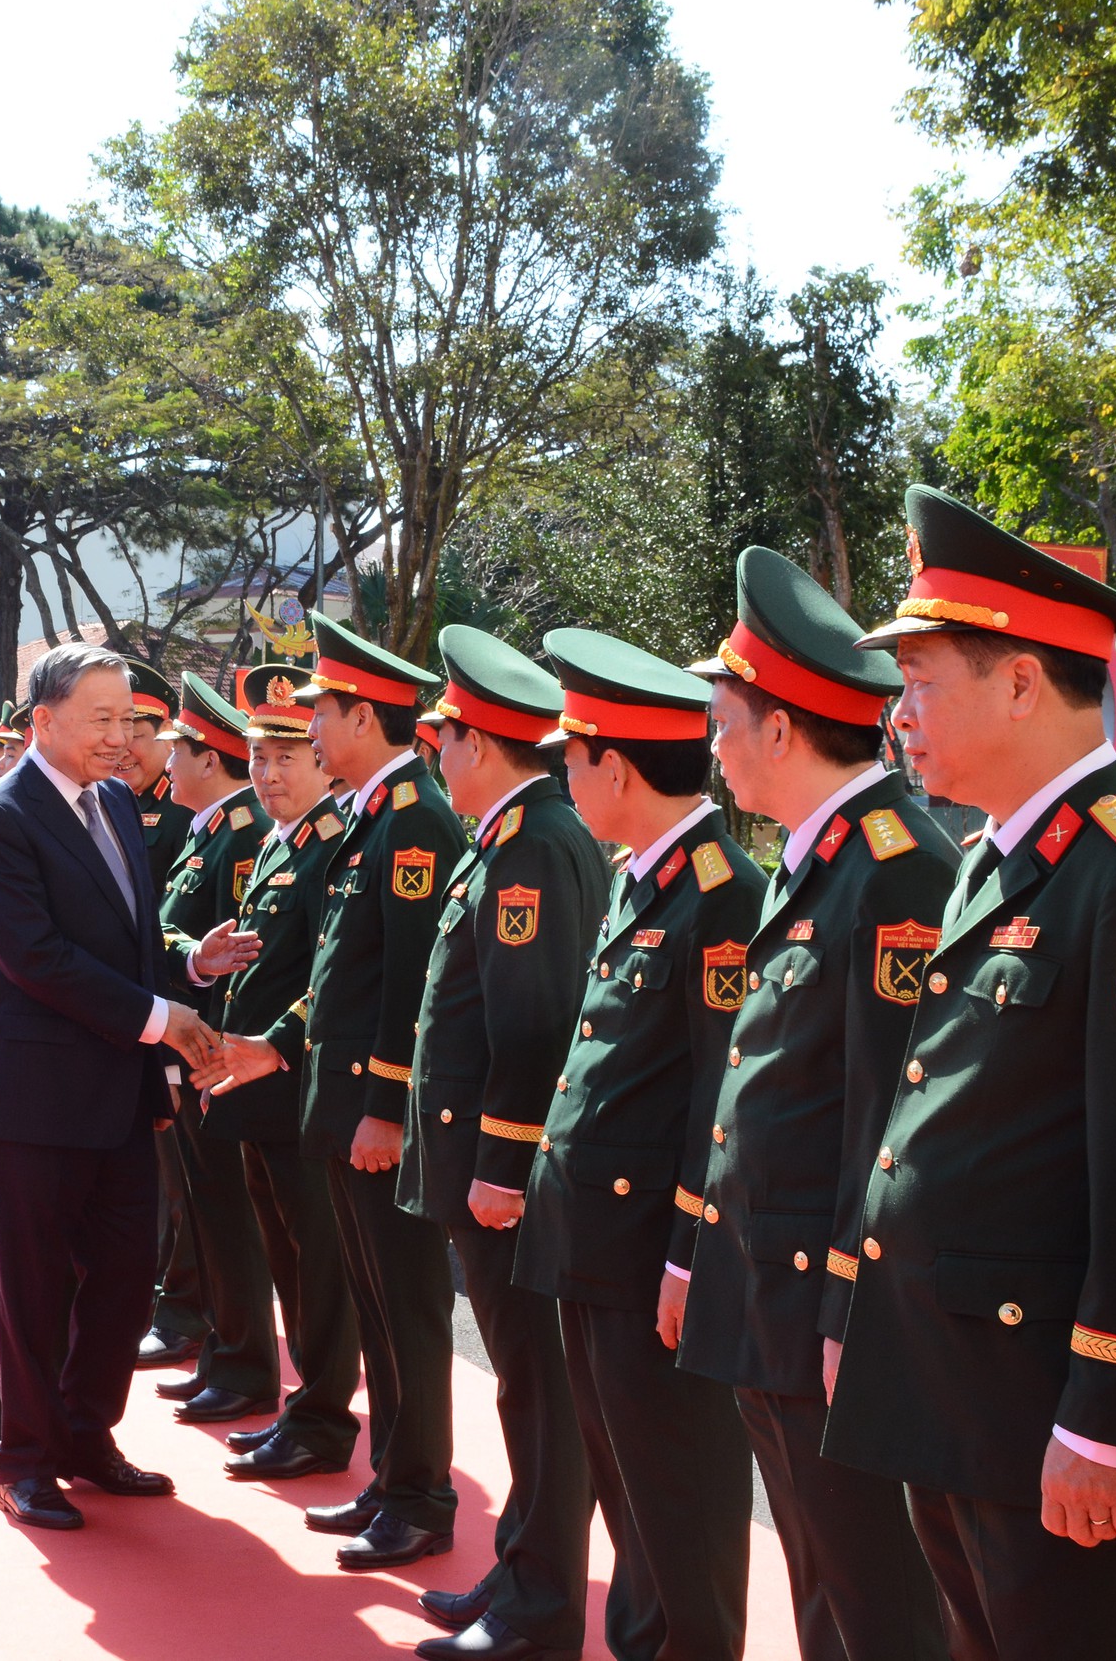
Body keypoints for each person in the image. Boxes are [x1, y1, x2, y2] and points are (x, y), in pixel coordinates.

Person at [824, 487, 1116, 1661]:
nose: (899, 717)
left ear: (1018, 682)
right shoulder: (989, 862)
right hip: (954, 1392)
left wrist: (1109, 1424)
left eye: (921, 683)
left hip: (1049, 1417)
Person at [677, 548, 955, 1661]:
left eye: (723, 721)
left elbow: (885, 1122)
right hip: (768, 1292)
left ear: (781, 729)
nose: (710, 745)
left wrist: (849, 1313)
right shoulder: (815, 857)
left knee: (874, 1592)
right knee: (818, 1572)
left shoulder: (892, 871)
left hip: (817, 1307)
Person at [514, 627, 765, 1661]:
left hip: (651, 1257)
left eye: (569, 760)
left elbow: (719, 1097)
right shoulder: (643, 876)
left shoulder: (720, 892)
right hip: (594, 1243)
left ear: (613, 766)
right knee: (625, 1485)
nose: (562, 778)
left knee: (680, 1490)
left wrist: (686, 1254)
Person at [0, 641, 227, 1532]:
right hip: (34, 1097)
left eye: (130, 719)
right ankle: (25, 1459)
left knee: (122, 1276)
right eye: (103, 718)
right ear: (44, 721)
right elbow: (38, 960)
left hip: (116, 1089)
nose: (123, 736)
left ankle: (85, 1434)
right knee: (33, 1289)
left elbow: (125, 941)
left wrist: (187, 963)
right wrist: (160, 1019)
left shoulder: (113, 801)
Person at [228, 612, 471, 1571]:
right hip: (338, 1109)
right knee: (377, 1309)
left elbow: (412, 987)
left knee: (409, 1313)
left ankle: (424, 1494)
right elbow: (337, 979)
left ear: (362, 714)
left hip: (376, 1118)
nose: (308, 731)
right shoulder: (373, 815)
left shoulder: (413, 822)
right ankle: (391, 1480)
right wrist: (280, 1048)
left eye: (320, 712)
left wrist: (382, 1105)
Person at [396, 627, 605, 1661]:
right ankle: (520, 1567)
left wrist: (500, 1166)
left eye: (445, 736)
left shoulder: (532, 847)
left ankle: (542, 1606)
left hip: (504, 1175)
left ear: (477, 744)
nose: (436, 755)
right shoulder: (507, 839)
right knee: (525, 1384)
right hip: (482, 1165)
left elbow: (532, 1025)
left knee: (537, 1387)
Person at [204, 664, 366, 1485]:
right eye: (259, 758)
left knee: (318, 1261)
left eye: (286, 756)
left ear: (323, 763)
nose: (267, 773)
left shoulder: (335, 845)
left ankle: (326, 1414)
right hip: (255, 1094)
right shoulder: (277, 844)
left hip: (297, 1086)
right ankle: (306, 1406)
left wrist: (272, 1041)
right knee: (286, 1255)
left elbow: (328, 978)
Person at [150, 672, 279, 1425]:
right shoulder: (209, 834)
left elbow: (237, 953)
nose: (165, 763)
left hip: (212, 1051)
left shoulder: (241, 838)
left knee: (229, 1216)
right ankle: (227, 1354)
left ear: (209, 758)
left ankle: (243, 1362)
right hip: (190, 1047)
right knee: (206, 1211)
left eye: (178, 750)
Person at [122, 656, 209, 1371]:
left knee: (180, 1178)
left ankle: (182, 1306)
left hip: (175, 1014)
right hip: (134, 1014)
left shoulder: (182, 817)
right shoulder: (118, 803)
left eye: (137, 729)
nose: (123, 744)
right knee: (152, 1171)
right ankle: (160, 1293)